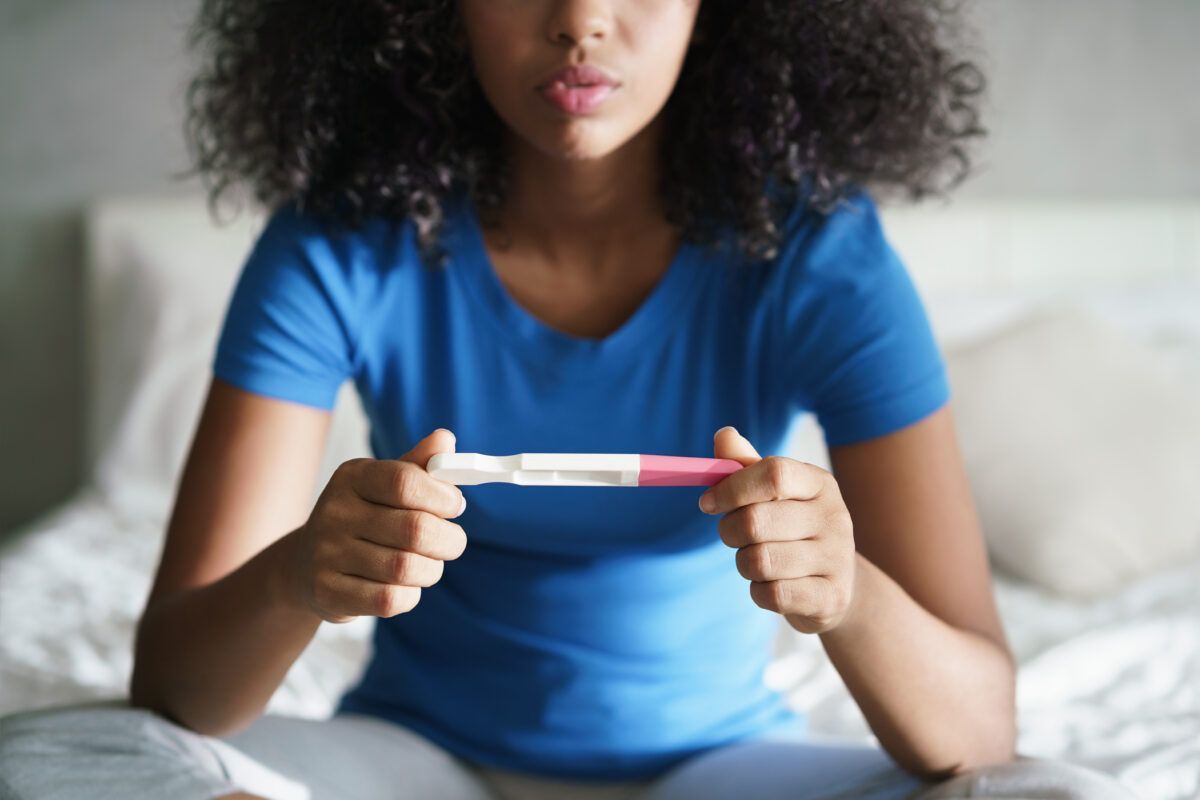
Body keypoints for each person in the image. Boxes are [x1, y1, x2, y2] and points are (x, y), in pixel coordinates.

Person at [0, 0, 1140, 798]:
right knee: (55, 764)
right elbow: (176, 693)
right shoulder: (338, 243)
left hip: (720, 769)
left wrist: (846, 591)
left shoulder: (821, 257)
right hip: (413, 762)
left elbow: (979, 732)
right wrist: (303, 569)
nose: (582, 18)